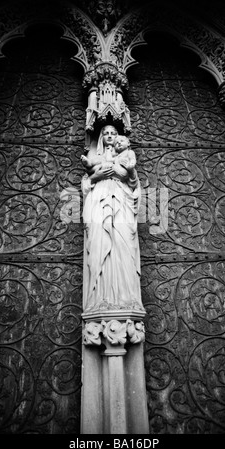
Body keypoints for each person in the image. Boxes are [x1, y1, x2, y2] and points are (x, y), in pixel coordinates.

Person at [81, 125, 144, 313]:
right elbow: (85, 184)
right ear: (101, 138)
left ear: (119, 138)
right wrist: (95, 177)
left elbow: (134, 184)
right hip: (98, 201)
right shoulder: (97, 158)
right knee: (99, 242)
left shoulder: (125, 156)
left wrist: (130, 172)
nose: (109, 136)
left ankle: (127, 298)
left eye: (113, 134)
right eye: (106, 133)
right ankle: (100, 299)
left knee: (122, 243)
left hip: (121, 200)